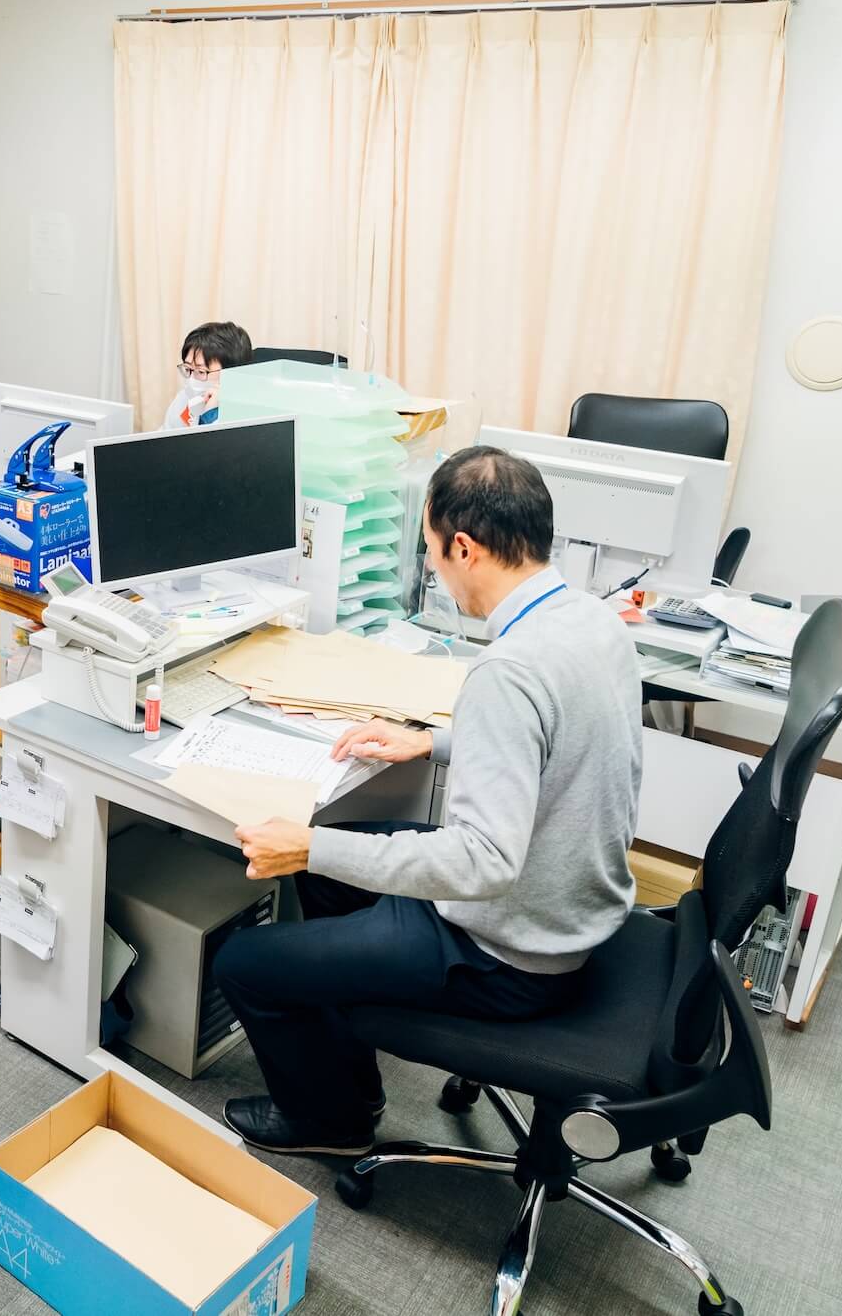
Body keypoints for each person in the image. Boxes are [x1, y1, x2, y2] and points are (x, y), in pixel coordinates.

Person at [214, 445, 643, 1156]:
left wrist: (310, 844)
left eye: (433, 553)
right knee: (329, 879)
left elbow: (482, 862)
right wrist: (435, 742)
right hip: (571, 907)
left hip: (506, 955)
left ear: (464, 548)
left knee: (245, 962)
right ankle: (346, 1073)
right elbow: (562, 741)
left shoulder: (508, 670)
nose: (436, 570)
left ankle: (332, 1124)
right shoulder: (591, 621)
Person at [161, 321, 253, 430]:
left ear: (231, 373)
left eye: (201, 371)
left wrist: (209, 416)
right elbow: (164, 434)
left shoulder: (247, 412)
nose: (191, 379)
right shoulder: (184, 398)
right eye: (188, 368)